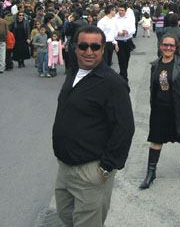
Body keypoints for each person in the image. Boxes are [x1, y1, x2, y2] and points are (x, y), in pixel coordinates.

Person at [52, 26, 135, 227]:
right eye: (83, 46)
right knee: (66, 217)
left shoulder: (112, 83)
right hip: (65, 168)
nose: (89, 51)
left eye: (95, 47)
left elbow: (124, 128)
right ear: (75, 48)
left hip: (90, 171)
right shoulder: (73, 73)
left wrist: (105, 169)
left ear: (103, 49)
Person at [139, 34, 180, 190]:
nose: (168, 48)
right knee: (156, 139)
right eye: (165, 45)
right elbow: (153, 88)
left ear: (175, 48)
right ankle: (150, 173)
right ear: (160, 46)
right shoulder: (155, 65)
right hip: (160, 109)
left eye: (171, 46)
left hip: (178, 108)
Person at [113, 3, 136, 82]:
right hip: (119, 41)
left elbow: (133, 29)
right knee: (121, 59)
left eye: (122, 10)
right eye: (119, 10)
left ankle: (122, 73)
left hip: (127, 41)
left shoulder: (129, 18)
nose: (120, 12)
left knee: (126, 59)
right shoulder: (115, 18)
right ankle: (124, 77)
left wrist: (127, 32)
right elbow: (112, 30)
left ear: (126, 11)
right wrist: (117, 33)